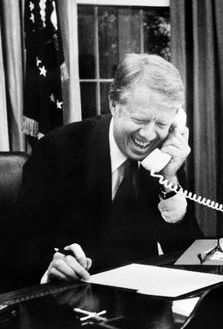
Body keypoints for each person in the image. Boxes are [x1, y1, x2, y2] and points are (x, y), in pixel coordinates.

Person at [16, 53, 202, 284]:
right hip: (73, 297)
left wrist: (170, 179)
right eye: (140, 120)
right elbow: (22, 247)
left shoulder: (164, 159)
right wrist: (52, 266)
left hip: (140, 302)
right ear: (114, 105)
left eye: (162, 124)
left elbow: (193, 256)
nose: (148, 135)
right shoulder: (58, 150)